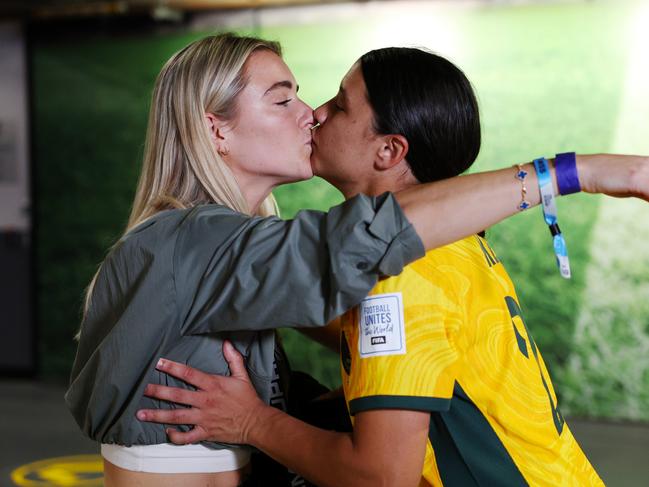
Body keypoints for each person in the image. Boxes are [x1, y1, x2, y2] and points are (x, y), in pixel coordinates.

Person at [65, 32, 648, 487]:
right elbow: (334, 259)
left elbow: (377, 471)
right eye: (284, 97)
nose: (311, 113)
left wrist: (257, 421)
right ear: (215, 129)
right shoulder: (196, 241)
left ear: (391, 150)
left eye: (332, 103)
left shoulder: (401, 271)